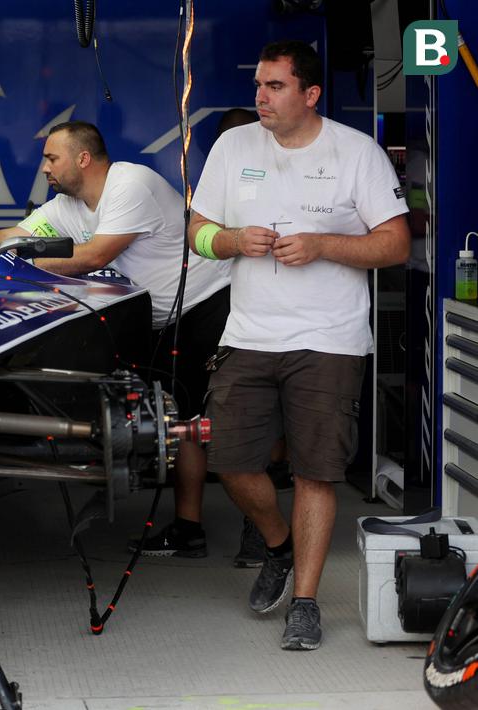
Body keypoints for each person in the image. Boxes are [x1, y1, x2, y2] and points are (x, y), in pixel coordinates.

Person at [188, 40, 409, 651]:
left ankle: (306, 603)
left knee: (316, 471)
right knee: (231, 460)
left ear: (311, 94)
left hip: (330, 338)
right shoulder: (233, 147)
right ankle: (277, 545)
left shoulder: (356, 151)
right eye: (259, 86)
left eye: (275, 86)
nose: (261, 97)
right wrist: (231, 241)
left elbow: (395, 244)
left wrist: (322, 245)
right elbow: (196, 230)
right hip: (248, 335)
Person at [0, 121, 231, 560]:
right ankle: (189, 531)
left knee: (222, 423)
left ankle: (259, 531)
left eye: (52, 158)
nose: (44, 167)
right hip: (160, 321)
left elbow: (94, 256)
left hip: (209, 306)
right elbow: (13, 239)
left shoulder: (130, 183)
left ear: (83, 158)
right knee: (181, 422)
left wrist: (23, 262)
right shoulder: (67, 205)